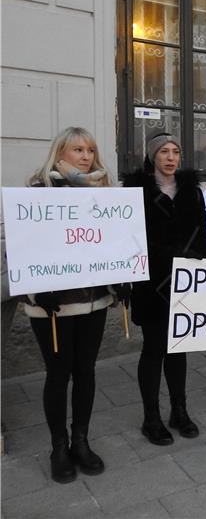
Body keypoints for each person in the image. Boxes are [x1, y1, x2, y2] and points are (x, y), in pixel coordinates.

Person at [24, 127, 127, 483]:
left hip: (93, 300)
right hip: (52, 306)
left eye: (90, 149)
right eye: (77, 149)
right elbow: (26, 248)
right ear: (60, 153)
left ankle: (80, 440)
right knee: (58, 372)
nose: (85, 156)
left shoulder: (104, 194)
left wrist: (123, 275)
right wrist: (41, 286)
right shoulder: (40, 191)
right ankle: (59, 446)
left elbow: (114, 241)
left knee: (86, 370)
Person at [124, 133, 206, 445]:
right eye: (163, 151)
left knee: (179, 348)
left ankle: (179, 410)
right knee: (154, 349)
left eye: (175, 151)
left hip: (185, 281)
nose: (170, 157)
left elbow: (202, 234)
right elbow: (130, 238)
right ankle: (150, 417)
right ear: (153, 157)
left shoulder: (193, 192)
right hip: (151, 283)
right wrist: (166, 255)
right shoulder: (135, 191)